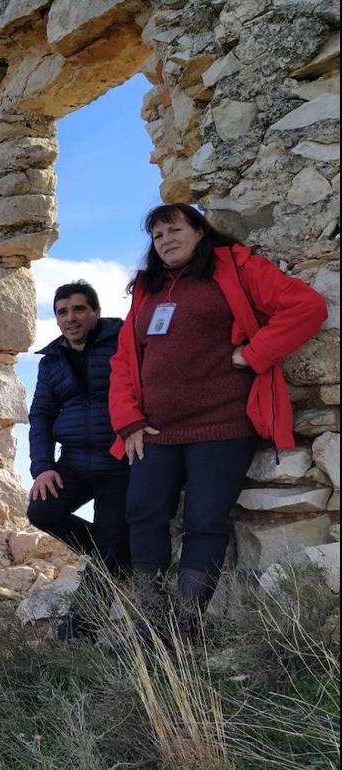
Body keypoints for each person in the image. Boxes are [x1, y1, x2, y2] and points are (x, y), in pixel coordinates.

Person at [109, 203, 326, 634]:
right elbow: (123, 361)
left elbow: (307, 306)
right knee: (143, 514)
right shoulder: (148, 289)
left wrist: (254, 353)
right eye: (157, 236)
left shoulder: (236, 267)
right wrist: (129, 420)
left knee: (205, 520)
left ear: (200, 232)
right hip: (156, 429)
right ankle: (149, 624)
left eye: (174, 230)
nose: (165, 241)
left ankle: (185, 626)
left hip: (221, 425)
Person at [27, 281, 130, 640]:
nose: (70, 318)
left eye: (79, 309)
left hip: (120, 461)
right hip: (73, 461)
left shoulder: (123, 342)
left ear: (96, 312)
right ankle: (116, 552)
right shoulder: (51, 361)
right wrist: (43, 467)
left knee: (111, 546)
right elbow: (41, 415)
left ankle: (78, 633)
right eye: (62, 312)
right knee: (41, 510)